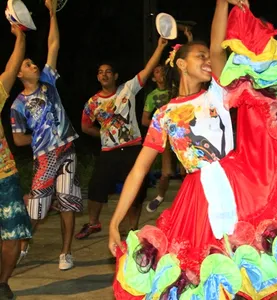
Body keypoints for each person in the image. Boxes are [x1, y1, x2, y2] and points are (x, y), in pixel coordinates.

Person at [109, 1, 277, 299]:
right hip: (195, 200)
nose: (207, 60)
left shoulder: (217, 93)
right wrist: (115, 222)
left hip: (240, 186)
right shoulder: (164, 114)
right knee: (205, 275)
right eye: (199, 56)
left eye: (207, 56)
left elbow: (218, 48)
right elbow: (139, 169)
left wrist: (220, 3)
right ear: (180, 63)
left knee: (245, 268)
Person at [11, 0, 81, 271]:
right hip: (44, 158)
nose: (33, 65)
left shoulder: (48, 81)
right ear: (19, 73)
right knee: (36, 209)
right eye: (28, 64)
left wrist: (52, 13)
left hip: (67, 150)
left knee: (67, 202)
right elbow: (18, 140)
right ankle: (23, 245)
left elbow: (54, 45)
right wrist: (41, 140)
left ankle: (66, 253)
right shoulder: (17, 105)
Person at [76, 36, 169, 240]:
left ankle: (132, 229)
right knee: (96, 188)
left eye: (108, 71)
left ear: (115, 75)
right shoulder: (92, 103)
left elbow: (147, 69)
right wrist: (102, 133)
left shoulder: (128, 89)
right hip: (108, 152)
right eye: (100, 72)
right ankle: (93, 223)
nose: (104, 75)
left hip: (133, 148)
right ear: (97, 77)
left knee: (135, 192)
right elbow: (85, 126)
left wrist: (160, 47)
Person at [142, 27, 193, 213]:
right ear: (154, 78)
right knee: (166, 172)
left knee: (185, 169)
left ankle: (186, 199)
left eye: (162, 70)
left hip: (182, 132)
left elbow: (187, 63)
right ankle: (160, 196)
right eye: (156, 72)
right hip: (166, 135)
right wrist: (161, 128)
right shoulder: (151, 97)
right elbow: (145, 120)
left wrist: (188, 38)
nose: (160, 73)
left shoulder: (175, 88)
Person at [0, 24, 32, 300]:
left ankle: (2, 282)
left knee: (12, 235)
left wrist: (20, 35)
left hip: (4, 176)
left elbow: (12, 68)